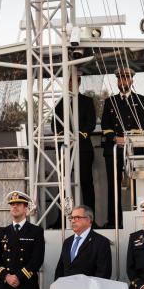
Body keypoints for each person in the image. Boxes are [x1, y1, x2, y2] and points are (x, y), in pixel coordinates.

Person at [101, 66, 144, 229]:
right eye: (120, 78)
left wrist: (127, 139)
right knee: (113, 185)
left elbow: (143, 125)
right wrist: (115, 138)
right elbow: (105, 125)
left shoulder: (141, 100)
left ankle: (139, 220)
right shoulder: (110, 101)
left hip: (133, 148)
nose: (123, 81)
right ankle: (113, 221)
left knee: (137, 184)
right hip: (113, 148)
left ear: (131, 80)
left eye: (126, 78)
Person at [53, 74, 97, 213]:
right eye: (68, 81)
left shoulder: (87, 101)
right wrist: (64, 136)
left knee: (86, 183)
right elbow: (55, 124)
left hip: (83, 148)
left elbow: (91, 123)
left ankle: (90, 217)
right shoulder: (60, 103)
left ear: (79, 82)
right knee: (64, 184)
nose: (70, 84)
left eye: (73, 81)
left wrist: (78, 135)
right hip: (66, 149)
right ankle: (62, 217)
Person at [54, 205, 111, 280]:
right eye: (71, 218)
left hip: (88, 287)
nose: (73, 221)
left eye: (77, 217)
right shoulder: (67, 242)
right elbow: (60, 270)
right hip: (67, 287)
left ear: (88, 220)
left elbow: (103, 273)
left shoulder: (101, 242)